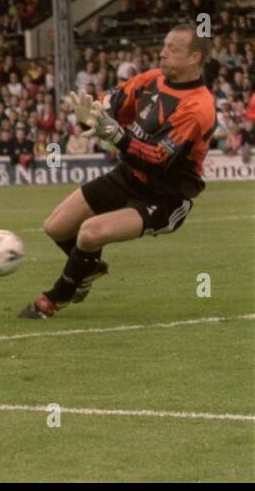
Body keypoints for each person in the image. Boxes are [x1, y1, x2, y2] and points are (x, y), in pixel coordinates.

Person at [19, 25, 217, 319]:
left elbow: (158, 159)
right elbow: (114, 99)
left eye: (173, 48)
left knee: (89, 233)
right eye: (164, 45)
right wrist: (95, 112)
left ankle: (54, 299)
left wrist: (116, 136)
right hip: (128, 175)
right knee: (56, 227)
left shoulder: (198, 107)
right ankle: (90, 268)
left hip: (165, 195)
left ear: (195, 59)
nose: (162, 53)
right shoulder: (152, 80)